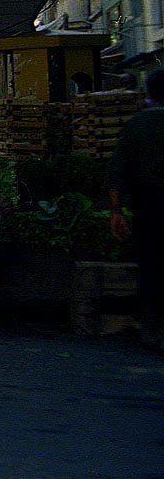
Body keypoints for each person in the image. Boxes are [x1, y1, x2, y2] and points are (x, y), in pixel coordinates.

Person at [108, 68, 164, 352]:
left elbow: (117, 172)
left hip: (147, 205)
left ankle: (152, 329)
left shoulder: (136, 125)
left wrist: (116, 211)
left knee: (151, 264)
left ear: (149, 93)